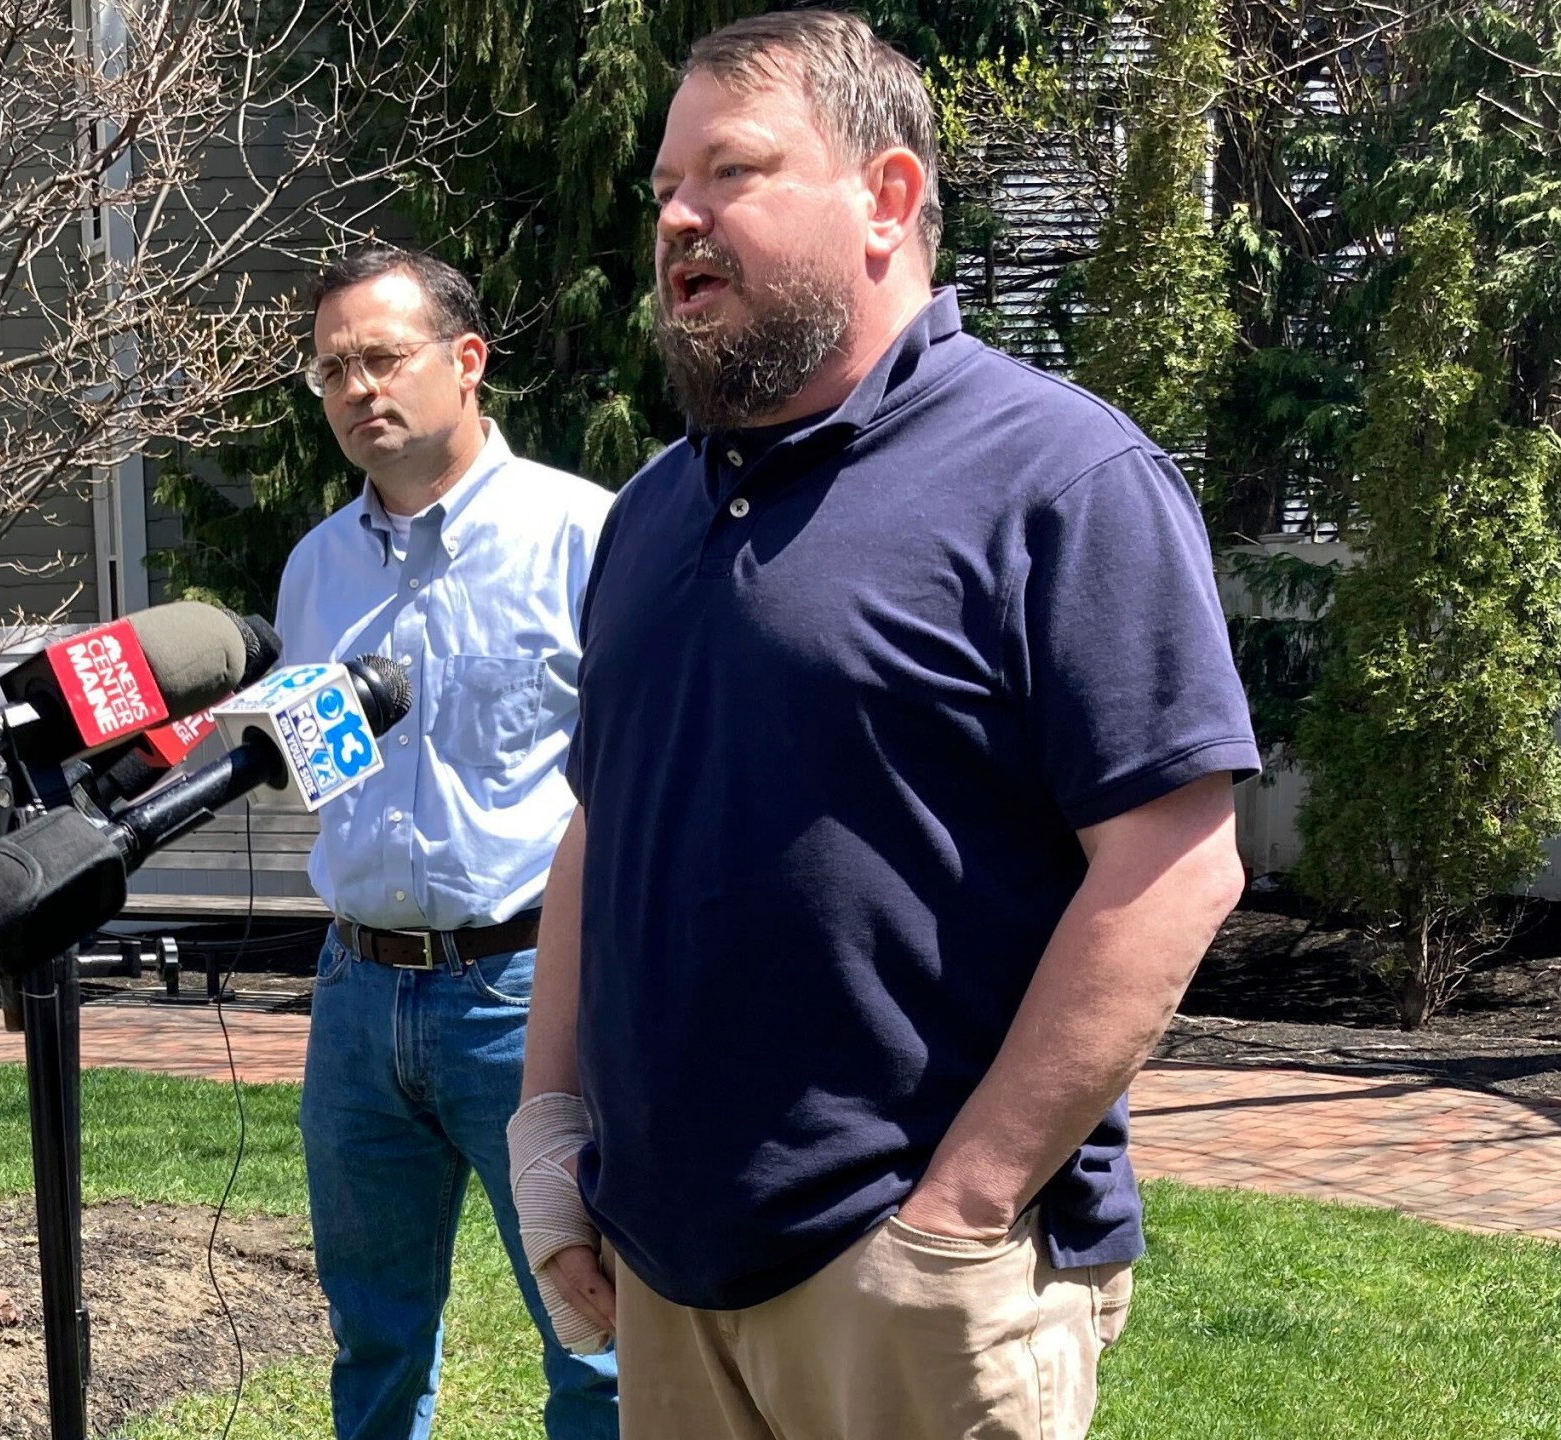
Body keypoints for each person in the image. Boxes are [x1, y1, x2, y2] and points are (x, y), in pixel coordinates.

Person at [505, 12, 1260, 1439]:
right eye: (666, 184)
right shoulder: (656, 509)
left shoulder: (1058, 475)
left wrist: (961, 1212)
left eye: (731, 171)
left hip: (911, 1280)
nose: (678, 216)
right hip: (668, 1276)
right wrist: (550, 1129)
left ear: (889, 197)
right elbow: (602, 830)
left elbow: (1174, 862)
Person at [275, 242, 619, 1440]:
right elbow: (324, 771)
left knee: (595, 1338)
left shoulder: (586, 538)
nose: (356, 390)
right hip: (355, 997)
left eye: (381, 357)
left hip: (533, 995)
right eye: (330, 372)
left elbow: (639, 783)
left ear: (467, 361)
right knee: (372, 1338)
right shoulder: (313, 570)